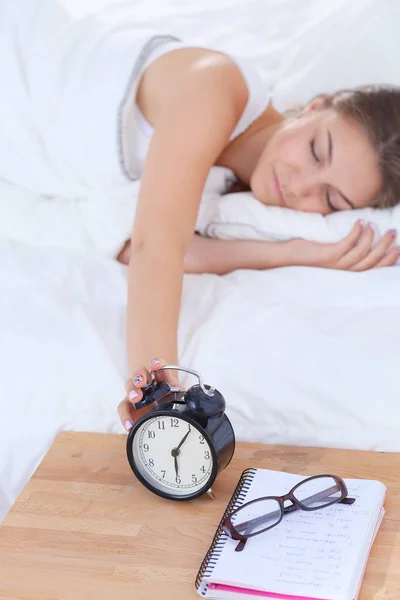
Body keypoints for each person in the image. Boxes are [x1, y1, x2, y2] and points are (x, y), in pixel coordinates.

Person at [117, 35, 400, 431]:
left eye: (331, 200)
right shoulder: (215, 86)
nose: (300, 185)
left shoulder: (231, 188)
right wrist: (158, 391)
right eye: (316, 151)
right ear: (316, 106)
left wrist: (292, 253)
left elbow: (132, 247)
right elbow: (155, 245)